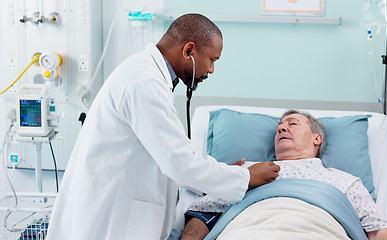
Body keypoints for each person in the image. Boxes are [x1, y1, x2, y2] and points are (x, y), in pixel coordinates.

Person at [46, 13, 280, 240]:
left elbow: (174, 156)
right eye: (212, 60)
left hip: (121, 212)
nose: (211, 70)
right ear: (189, 51)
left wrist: (225, 173)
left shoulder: (150, 77)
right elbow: (180, 163)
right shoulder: (144, 82)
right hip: (109, 220)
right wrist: (244, 177)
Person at [181, 110, 387, 240]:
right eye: (279, 126)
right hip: (248, 231)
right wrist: (229, 174)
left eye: (292, 123)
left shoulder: (343, 180)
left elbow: (380, 228)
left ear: (317, 138)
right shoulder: (247, 172)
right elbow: (203, 213)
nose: (281, 128)